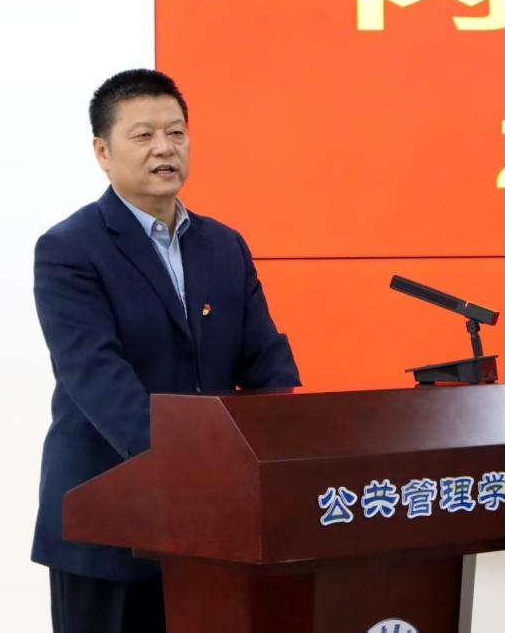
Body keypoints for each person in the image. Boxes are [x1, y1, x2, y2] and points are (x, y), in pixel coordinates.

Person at [32, 69, 300, 633]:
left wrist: (282, 450)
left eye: (176, 133)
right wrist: (200, 469)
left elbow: (266, 362)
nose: (164, 148)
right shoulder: (69, 249)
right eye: (144, 135)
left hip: (217, 531)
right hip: (108, 525)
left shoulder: (224, 245)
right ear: (103, 152)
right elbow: (99, 380)